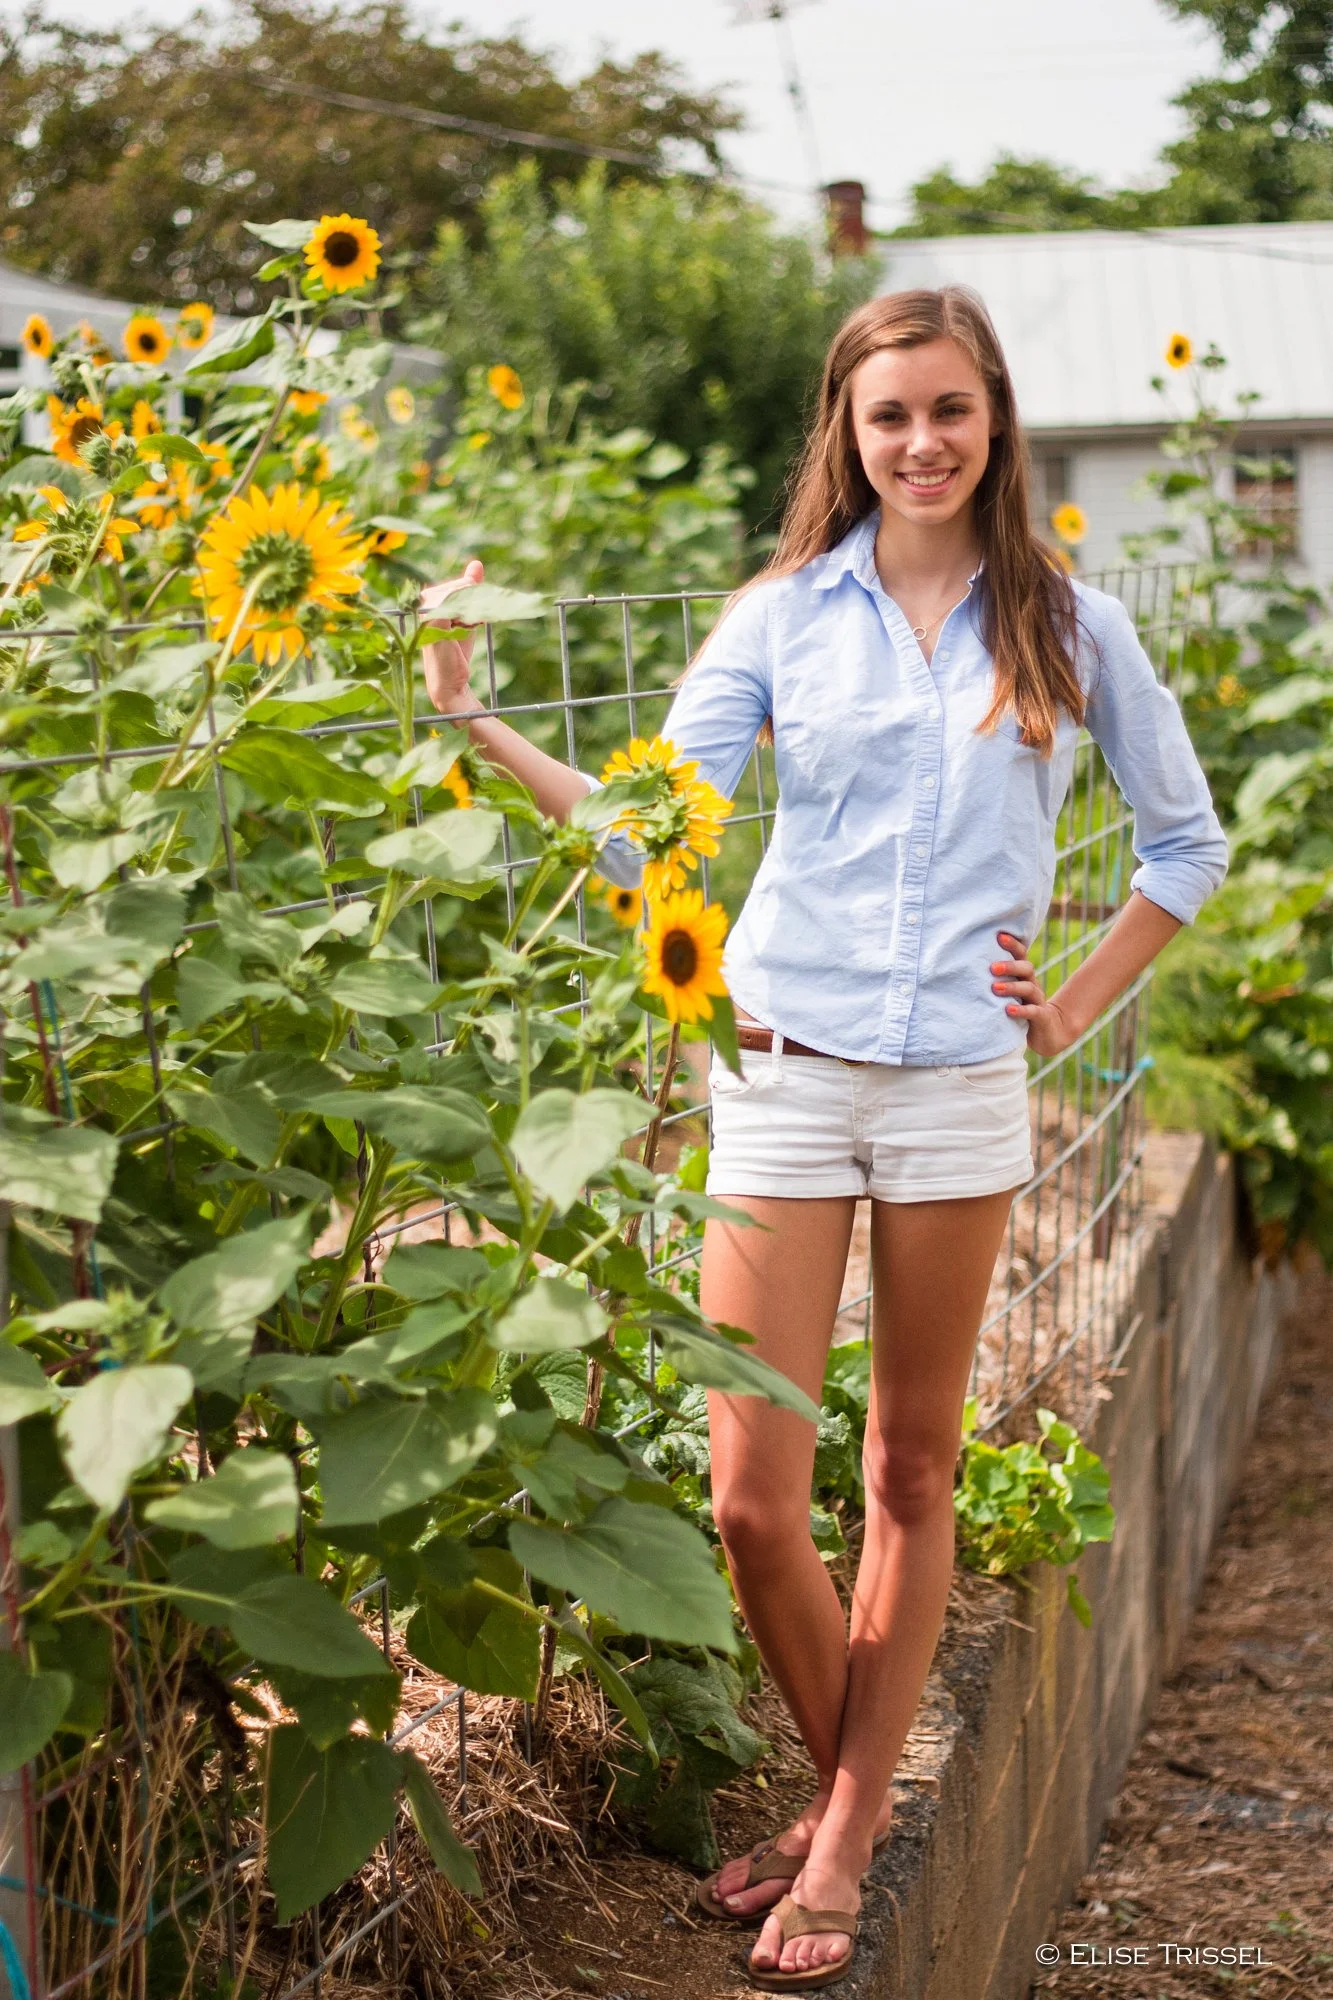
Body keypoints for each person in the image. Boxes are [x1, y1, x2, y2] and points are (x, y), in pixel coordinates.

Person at [418, 286, 1229, 1993]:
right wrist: (472, 716)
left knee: (912, 1473)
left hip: (954, 1091)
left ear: (992, 419)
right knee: (751, 1501)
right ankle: (852, 1790)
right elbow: (656, 827)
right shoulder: (784, 617)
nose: (921, 443)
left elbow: (1186, 843)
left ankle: (842, 1834)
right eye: (888, 418)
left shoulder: (1067, 626)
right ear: (847, 438)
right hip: (779, 1068)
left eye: (949, 410)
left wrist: (1071, 1008)